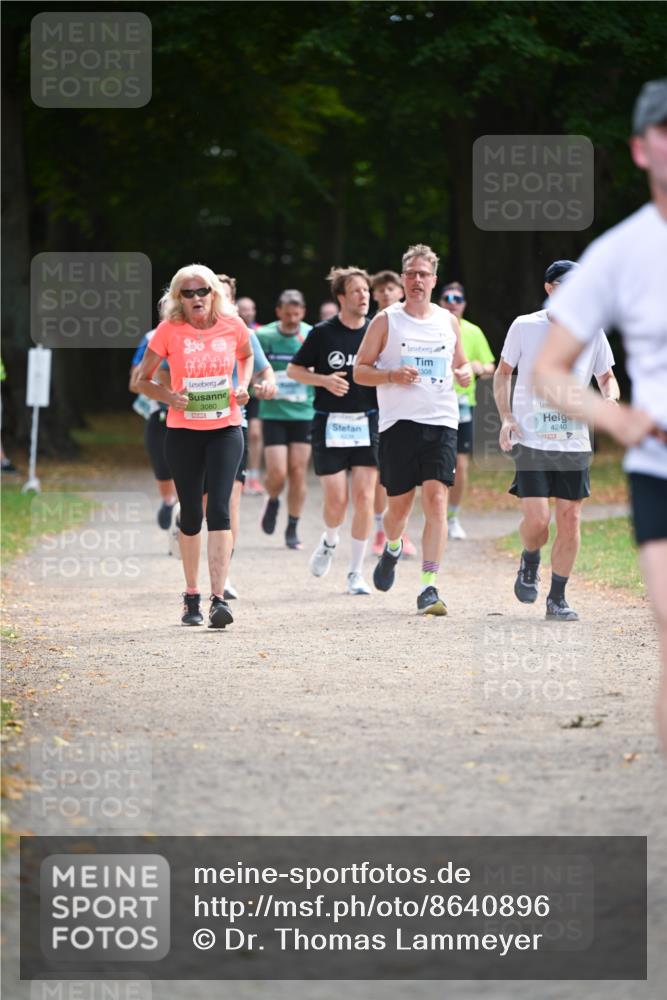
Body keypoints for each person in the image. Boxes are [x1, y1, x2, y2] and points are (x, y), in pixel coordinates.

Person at [533, 78, 667, 746]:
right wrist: (619, 420)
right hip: (657, 465)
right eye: (663, 132)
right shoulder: (616, 253)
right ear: (640, 150)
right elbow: (548, 370)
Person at [493, 260, 619, 621]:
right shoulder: (525, 326)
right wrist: (506, 418)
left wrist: (609, 398)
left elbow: (607, 376)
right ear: (550, 288)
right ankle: (529, 558)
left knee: (570, 518)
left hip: (574, 441)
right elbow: (503, 374)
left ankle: (557, 598)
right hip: (531, 439)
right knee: (537, 521)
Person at [354, 243, 472, 615]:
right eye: (411, 274)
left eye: (424, 274)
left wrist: (466, 373)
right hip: (398, 425)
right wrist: (390, 374)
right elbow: (359, 371)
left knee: (436, 500)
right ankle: (392, 546)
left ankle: (428, 586)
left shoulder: (447, 321)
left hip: (441, 420)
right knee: (398, 511)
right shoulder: (386, 320)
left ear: (433, 280)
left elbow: (463, 367)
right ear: (403, 279)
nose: (417, 280)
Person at [133, 264, 253, 628]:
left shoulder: (233, 325)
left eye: (203, 291)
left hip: (226, 428)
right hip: (183, 432)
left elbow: (246, 357)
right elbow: (143, 380)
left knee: (219, 507)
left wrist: (243, 386)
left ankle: (219, 599)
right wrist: (170, 396)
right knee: (190, 514)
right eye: (188, 293)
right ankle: (191, 594)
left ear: (214, 292)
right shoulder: (169, 331)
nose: (197, 297)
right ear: (178, 298)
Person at [287, 267, 377, 595]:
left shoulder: (377, 331)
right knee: (337, 499)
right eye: (356, 291)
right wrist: (324, 380)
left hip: (368, 421)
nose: (363, 296)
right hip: (330, 421)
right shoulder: (323, 333)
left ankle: (356, 573)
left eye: (366, 291)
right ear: (341, 297)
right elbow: (293, 370)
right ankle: (329, 539)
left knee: (365, 497)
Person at [256, 290, 314, 549]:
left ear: (303, 312)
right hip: (274, 413)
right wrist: (258, 385)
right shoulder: (264, 336)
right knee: (278, 472)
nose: (292, 319)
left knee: (298, 471)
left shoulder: (312, 335)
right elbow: (254, 369)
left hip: (304, 413)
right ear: (278, 311)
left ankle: (292, 526)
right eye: (287, 314)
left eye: (297, 314)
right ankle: (272, 498)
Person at [439, 282, 496, 539]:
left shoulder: (473, 331)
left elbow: (491, 365)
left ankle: (452, 517)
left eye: (457, 298)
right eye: (447, 297)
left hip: (463, 403)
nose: (452, 302)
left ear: (464, 303)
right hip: (433, 403)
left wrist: (478, 367)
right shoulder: (430, 326)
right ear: (440, 301)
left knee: (460, 466)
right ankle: (434, 515)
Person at [368, 270, 417, 558]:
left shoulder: (413, 324)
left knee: (406, 474)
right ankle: (379, 531)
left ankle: (399, 531)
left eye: (391, 289)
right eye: (381, 290)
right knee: (380, 473)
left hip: (406, 409)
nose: (386, 294)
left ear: (401, 291)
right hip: (375, 408)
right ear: (375, 294)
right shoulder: (374, 325)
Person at [129, 331, 178, 532]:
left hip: (194, 415)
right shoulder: (151, 338)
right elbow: (134, 383)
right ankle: (168, 502)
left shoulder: (201, 332)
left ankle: (182, 518)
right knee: (163, 467)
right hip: (159, 412)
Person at [236, 296, 264, 494]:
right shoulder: (231, 330)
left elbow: (264, 362)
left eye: (250, 309)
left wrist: (261, 382)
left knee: (254, 434)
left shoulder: (259, 332)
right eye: (243, 309)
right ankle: (239, 475)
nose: (247, 312)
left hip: (254, 392)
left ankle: (253, 475)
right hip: (235, 391)